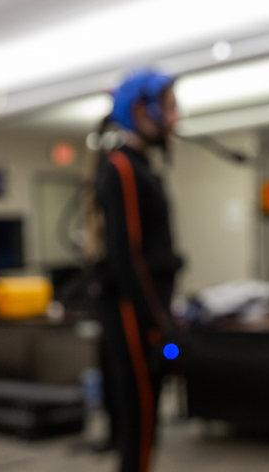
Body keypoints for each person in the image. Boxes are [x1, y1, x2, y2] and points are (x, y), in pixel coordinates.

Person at [87, 70, 183, 472]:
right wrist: (158, 324)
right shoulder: (122, 168)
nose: (178, 118)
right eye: (172, 107)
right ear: (143, 111)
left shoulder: (141, 166)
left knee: (146, 419)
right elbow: (129, 257)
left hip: (148, 313)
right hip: (133, 315)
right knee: (140, 416)